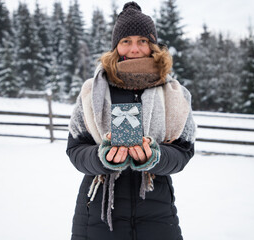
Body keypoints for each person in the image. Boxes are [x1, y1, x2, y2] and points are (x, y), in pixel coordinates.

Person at [66, 2, 196, 239]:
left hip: (157, 213)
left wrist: (154, 157)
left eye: (142, 41)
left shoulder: (176, 95)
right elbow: (75, 150)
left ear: (152, 45)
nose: (134, 48)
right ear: (116, 46)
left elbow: (183, 152)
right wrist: (100, 158)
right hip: (98, 215)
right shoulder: (90, 93)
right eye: (126, 41)